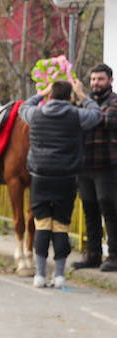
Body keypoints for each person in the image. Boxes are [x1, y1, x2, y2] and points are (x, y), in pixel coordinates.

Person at [18, 79, 104, 288]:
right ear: (69, 97)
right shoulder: (76, 115)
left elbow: (23, 107)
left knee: (42, 226)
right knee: (61, 227)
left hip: (40, 178)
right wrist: (82, 94)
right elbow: (97, 115)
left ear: (51, 95)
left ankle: (39, 275)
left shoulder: (36, 114)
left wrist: (42, 93)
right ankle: (59, 276)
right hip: (65, 180)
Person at [73, 63, 117, 271]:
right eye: (92, 80)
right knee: (89, 210)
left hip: (107, 165)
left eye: (100, 79)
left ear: (110, 80)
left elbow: (105, 120)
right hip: (84, 165)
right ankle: (93, 254)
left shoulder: (115, 101)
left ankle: (114, 256)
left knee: (110, 209)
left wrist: (83, 96)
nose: (95, 83)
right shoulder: (83, 103)